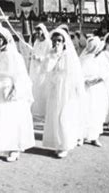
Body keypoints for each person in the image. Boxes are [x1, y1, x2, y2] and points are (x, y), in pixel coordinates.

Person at [0, 27, 35, 164]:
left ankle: (13, 148)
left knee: (9, 120)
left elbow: (20, 76)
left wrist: (14, 90)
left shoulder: (15, 56)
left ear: (5, 40)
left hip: (9, 90)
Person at [42, 28, 85, 158]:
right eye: (54, 40)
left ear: (65, 42)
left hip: (67, 89)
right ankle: (58, 144)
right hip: (55, 88)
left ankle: (65, 144)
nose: (56, 43)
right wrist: (54, 55)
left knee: (64, 117)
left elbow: (76, 74)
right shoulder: (51, 54)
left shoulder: (70, 56)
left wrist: (76, 90)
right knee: (54, 116)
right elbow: (47, 69)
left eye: (59, 40)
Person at [80, 36, 109, 147]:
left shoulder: (102, 58)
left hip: (98, 89)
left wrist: (98, 79)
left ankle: (95, 136)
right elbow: (79, 73)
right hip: (86, 89)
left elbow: (107, 73)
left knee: (96, 112)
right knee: (85, 110)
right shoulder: (84, 58)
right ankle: (83, 135)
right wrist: (85, 81)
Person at [29, 23, 52, 119]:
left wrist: (40, 58)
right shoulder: (36, 42)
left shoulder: (48, 43)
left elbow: (50, 56)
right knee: (35, 87)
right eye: (36, 31)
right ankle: (35, 109)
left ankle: (42, 110)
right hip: (35, 67)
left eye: (39, 30)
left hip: (43, 68)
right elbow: (34, 51)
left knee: (42, 87)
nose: (38, 33)